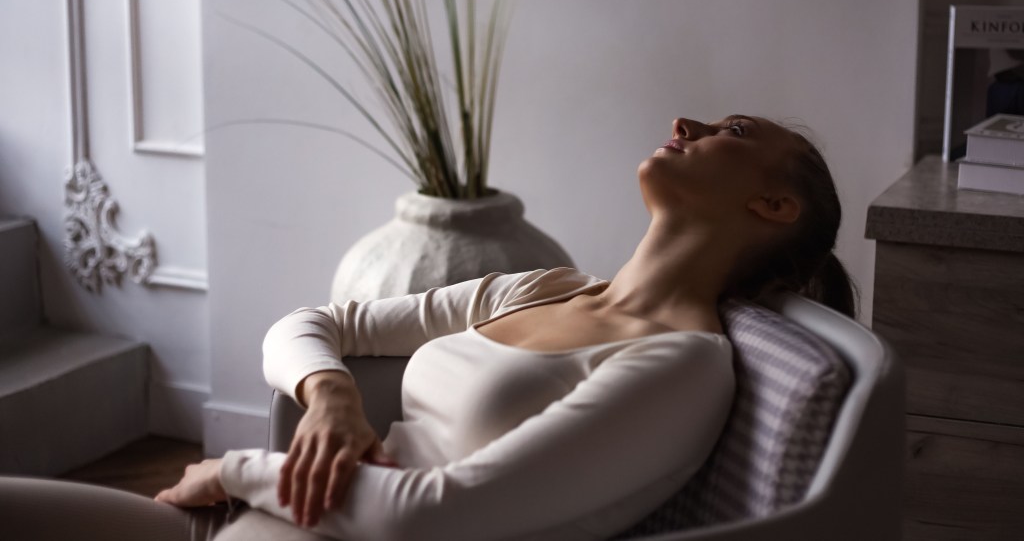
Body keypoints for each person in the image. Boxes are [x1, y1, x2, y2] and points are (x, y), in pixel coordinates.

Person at [0, 115, 855, 541]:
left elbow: (430, 518)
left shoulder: (682, 367)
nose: (687, 124)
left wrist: (232, 468)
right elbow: (313, 323)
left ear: (771, 206)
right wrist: (330, 399)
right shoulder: (552, 284)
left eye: (732, 132)